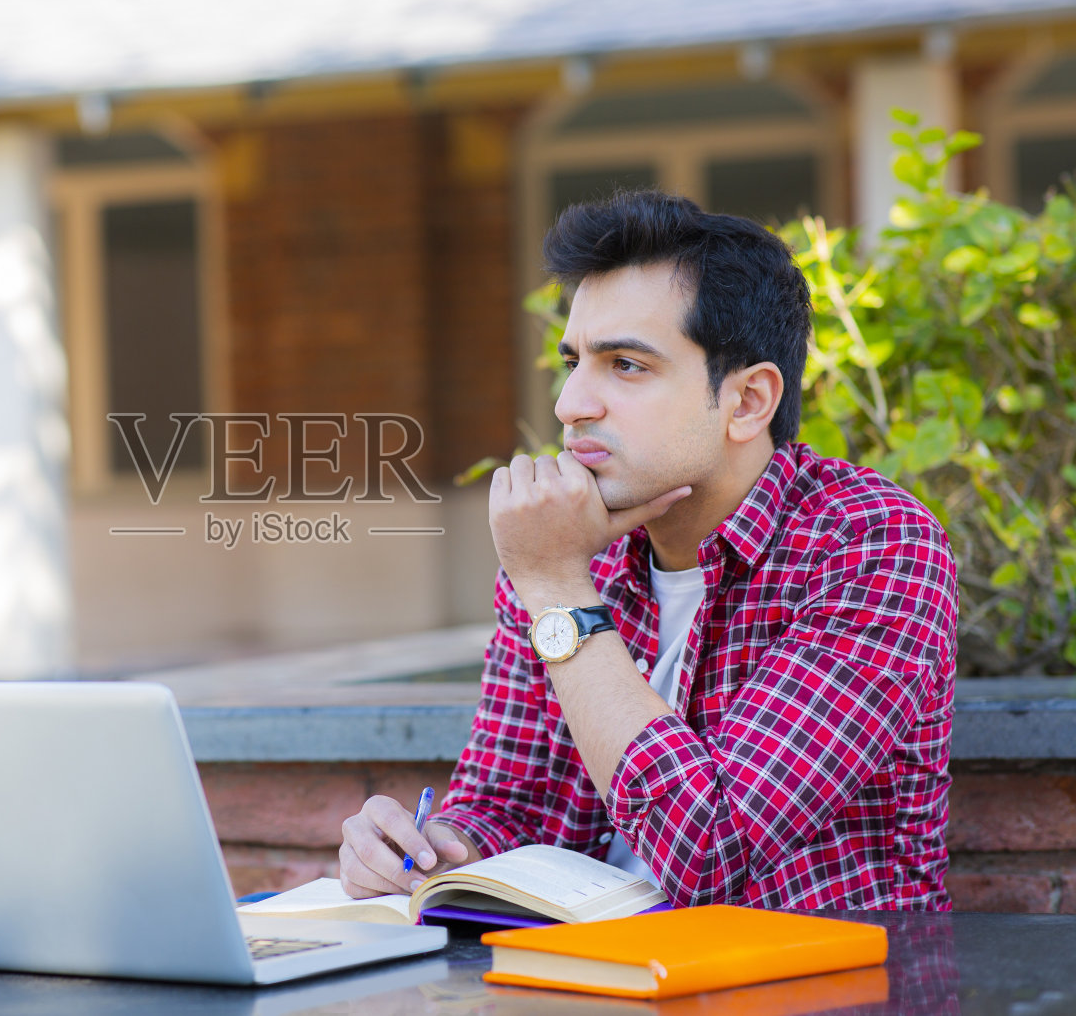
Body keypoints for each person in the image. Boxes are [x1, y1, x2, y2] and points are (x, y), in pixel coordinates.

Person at [338, 190, 957, 911]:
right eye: (574, 362)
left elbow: (711, 854)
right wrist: (424, 851)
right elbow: (507, 801)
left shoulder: (870, 544)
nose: (571, 403)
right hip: (584, 976)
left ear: (748, 401)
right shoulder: (569, 553)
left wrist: (559, 588)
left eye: (626, 365)